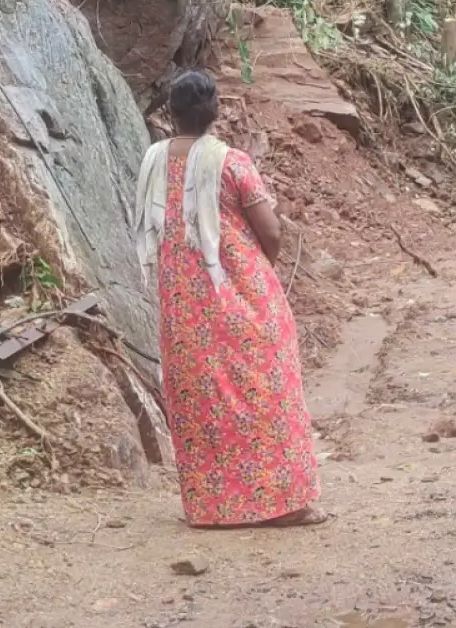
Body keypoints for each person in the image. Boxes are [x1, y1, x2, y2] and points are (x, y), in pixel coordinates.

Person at [132, 69, 325, 528]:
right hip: (237, 291)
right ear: (214, 110)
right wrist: (259, 270)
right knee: (267, 384)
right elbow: (271, 230)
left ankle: (212, 506)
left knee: (202, 395)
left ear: (172, 113)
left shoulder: (154, 161)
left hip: (182, 304)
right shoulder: (232, 162)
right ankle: (281, 503)